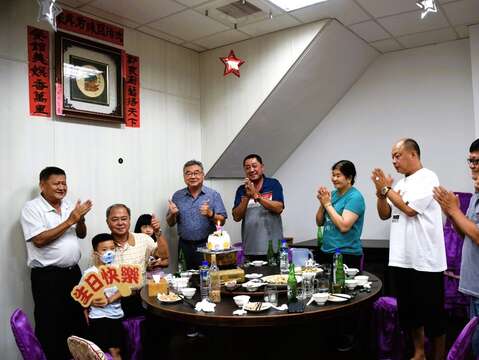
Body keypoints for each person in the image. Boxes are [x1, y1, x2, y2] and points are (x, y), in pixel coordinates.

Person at [372, 138, 446, 360]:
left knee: (433, 315)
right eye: (392, 157)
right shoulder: (400, 185)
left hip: (426, 260)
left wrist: (385, 188)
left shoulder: (428, 177)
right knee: (409, 314)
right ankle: (419, 353)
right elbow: (385, 214)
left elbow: (410, 210)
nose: (394, 161)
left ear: (413, 154)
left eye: (397, 155)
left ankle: (438, 357)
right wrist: (380, 194)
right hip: (401, 258)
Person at [20, 166, 92, 360]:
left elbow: (81, 234)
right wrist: (70, 220)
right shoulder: (32, 208)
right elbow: (39, 240)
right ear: (42, 185)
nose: (62, 187)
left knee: (77, 320)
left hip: (73, 274)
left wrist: (81, 220)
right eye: (56, 183)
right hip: (48, 278)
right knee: (51, 325)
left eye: (64, 183)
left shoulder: (68, 205)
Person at [433, 138, 479, 356]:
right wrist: (452, 214)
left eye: (477, 161)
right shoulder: (475, 195)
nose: (473, 166)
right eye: (470, 161)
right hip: (473, 288)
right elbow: (466, 235)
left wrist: (455, 212)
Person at [106, 204, 166, 317]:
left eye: (124, 219)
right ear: (107, 222)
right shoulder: (103, 245)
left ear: (129, 220)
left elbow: (163, 255)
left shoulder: (144, 239)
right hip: (113, 302)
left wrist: (158, 231)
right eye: (115, 219)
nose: (120, 223)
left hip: (140, 298)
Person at [166, 160, 227, 269]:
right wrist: (172, 214)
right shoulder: (177, 196)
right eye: (188, 173)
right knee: (185, 277)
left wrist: (210, 214)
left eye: (196, 173)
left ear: (203, 175)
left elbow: (222, 220)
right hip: (184, 246)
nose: (192, 176)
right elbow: (170, 223)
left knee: (207, 278)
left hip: (207, 245)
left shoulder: (213, 195)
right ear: (184, 177)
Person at [232, 154, 284, 259]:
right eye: (247, 168)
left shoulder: (273, 184)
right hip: (250, 249)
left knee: (274, 275)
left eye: (254, 166)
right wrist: (247, 196)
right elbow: (236, 217)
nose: (251, 170)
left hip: (273, 248)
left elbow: (279, 208)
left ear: (262, 167)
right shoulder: (241, 190)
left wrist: (257, 196)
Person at [315, 160, 365, 269]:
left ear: (349, 178)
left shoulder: (355, 197)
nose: (334, 179)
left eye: (338, 175)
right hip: (326, 251)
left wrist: (327, 204)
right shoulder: (332, 195)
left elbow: (344, 226)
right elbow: (319, 222)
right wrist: (322, 204)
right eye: (333, 175)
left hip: (346, 254)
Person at [86, 233, 124, 360]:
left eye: (112, 249)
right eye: (104, 250)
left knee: (117, 350)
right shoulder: (90, 273)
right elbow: (86, 298)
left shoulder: (118, 269)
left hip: (116, 316)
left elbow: (124, 289)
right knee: (100, 353)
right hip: (99, 318)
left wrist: (109, 299)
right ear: (96, 253)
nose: (109, 252)